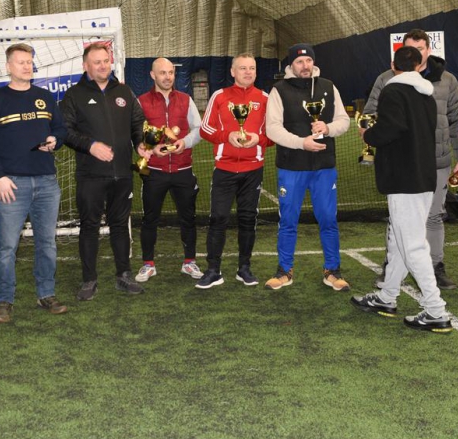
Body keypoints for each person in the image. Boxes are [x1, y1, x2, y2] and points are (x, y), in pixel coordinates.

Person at [351, 47, 453, 333]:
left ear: (392, 65)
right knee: (398, 240)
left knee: (412, 245)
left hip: (403, 178)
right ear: (419, 65)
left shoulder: (393, 90)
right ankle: (387, 296)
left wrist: (368, 134)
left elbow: (390, 129)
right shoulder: (426, 94)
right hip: (422, 176)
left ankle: (435, 310)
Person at [364, 29, 458, 290]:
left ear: (428, 50)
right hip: (402, 164)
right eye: (409, 49)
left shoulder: (447, 80)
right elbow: (370, 114)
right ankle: (392, 268)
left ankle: (435, 267)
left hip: (437, 161)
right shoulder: (386, 79)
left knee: (434, 217)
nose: (415, 54)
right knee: (397, 219)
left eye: (420, 49)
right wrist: (370, 133)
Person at [0, 43, 68, 324]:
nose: (27, 66)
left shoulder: (45, 97)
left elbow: (60, 128)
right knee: (7, 247)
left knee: (47, 243)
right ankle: (5, 300)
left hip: (46, 182)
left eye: (29, 62)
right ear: (8, 66)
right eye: (21, 62)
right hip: (11, 184)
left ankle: (46, 294)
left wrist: (55, 140)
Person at [60, 42, 146, 300]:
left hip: (122, 173)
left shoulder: (124, 91)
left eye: (106, 61)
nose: (102, 66)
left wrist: (140, 142)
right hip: (91, 175)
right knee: (90, 226)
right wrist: (91, 146)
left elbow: (137, 123)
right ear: (85, 66)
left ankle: (124, 275)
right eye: (96, 62)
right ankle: (89, 280)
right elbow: (65, 131)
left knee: (120, 225)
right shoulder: (74, 95)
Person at [265, 43, 351, 291]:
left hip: (324, 167)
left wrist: (328, 128)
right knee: (288, 221)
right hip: (291, 167)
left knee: (328, 219)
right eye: (300, 62)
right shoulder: (279, 90)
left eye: (309, 61)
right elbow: (272, 128)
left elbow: (344, 120)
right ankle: (284, 271)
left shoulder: (328, 86)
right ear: (291, 65)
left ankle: (332, 271)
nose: (305, 66)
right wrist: (301, 143)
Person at [196, 53, 272, 289]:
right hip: (225, 169)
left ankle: (244, 268)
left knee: (248, 219)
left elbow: (274, 133)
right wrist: (226, 136)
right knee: (218, 218)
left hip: (253, 170)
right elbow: (205, 129)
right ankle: (213, 270)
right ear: (232, 72)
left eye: (252, 68)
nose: (248, 72)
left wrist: (258, 139)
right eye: (243, 68)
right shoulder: (220, 96)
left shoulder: (265, 98)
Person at [134, 58, 203, 283]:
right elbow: (135, 133)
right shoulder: (141, 101)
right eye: (162, 73)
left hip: (183, 169)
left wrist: (185, 142)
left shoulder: (185, 99)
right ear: (153, 75)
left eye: (171, 73)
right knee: (150, 219)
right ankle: (148, 264)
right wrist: (151, 148)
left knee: (188, 218)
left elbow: (198, 129)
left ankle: (189, 261)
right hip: (154, 171)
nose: (167, 77)